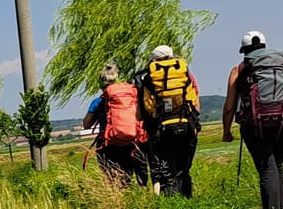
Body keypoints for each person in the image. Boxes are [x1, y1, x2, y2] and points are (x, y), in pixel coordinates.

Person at [224, 30, 283, 209]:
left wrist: (226, 130)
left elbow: (230, 106)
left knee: (266, 168)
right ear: (264, 46)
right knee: (277, 165)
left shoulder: (238, 69)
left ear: (245, 50)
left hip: (254, 126)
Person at [139, 44, 201, 197]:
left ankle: (173, 202)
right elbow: (196, 105)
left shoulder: (148, 78)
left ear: (154, 60)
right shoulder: (185, 73)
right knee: (184, 168)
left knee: (169, 170)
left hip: (163, 129)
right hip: (186, 125)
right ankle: (188, 200)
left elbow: (146, 108)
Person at [84, 62, 148, 187]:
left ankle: (115, 200)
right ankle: (130, 199)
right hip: (130, 142)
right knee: (126, 177)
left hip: (107, 144)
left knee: (111, 178)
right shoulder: (130, 97)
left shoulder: (97, 101)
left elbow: (86, 124)